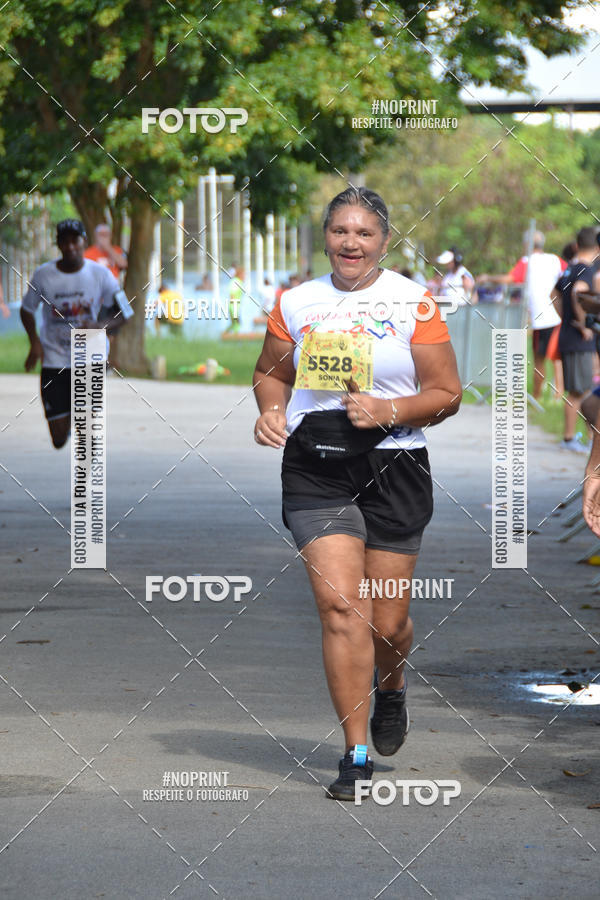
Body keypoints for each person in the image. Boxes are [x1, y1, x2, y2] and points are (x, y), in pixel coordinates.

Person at [252, 187, 462, 801]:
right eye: (341, 231)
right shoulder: (297, 302)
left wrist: (388, 408)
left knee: (387, 620)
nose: (351, 243)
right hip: (317, 465)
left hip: (395, 465)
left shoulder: (412, 301)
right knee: (344, 609)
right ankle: (356, 751)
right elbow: (272, 371)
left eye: (364, 233)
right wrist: (270, 409)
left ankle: (391, 685)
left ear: (384, 241)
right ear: (327, 237)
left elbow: (447, 392)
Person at [20, 219, 120, 449]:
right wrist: (34, 343)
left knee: (87, 441)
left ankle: (85, 422)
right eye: (64, 241)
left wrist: (101, 324)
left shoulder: (101, 274)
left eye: (75, 240)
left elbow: (125, 311)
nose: (70, 246)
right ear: (58, 244)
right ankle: (72, 417)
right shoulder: (43, 275)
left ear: (83, 241)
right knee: (58, 439)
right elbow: (27, 310)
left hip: (89, 359)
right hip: (54, 359)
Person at [478, 231, 565, 399]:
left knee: (539, 360)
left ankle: (537, 396)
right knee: (557, 359)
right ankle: (558, 395)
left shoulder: (527, 262)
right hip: (556, 315)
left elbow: (510, 278)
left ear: (527, 245)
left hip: (540, 318)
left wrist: (487, 277)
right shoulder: (555, 259)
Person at [551, 226, 599, 453]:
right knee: (581, 391)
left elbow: (554, 294)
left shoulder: (569, 269)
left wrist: (565, 316)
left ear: (578, 245)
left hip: (566, 335)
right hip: (579, 339)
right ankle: (571, 438)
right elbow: (578, 292)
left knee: (576, 389)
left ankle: (578, 438)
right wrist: (584, 324)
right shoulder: (586, 271)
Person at [225, 265, 243, 333]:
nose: (245, 276)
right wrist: (234, 310)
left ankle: (223, 335)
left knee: (234, 324)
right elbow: (232, 295)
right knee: (237, 325)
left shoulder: (238, 282)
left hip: (234, 307)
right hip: (234, 307)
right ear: (240, 274)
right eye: (244, 274)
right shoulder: (236, 282)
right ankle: (236, 340)